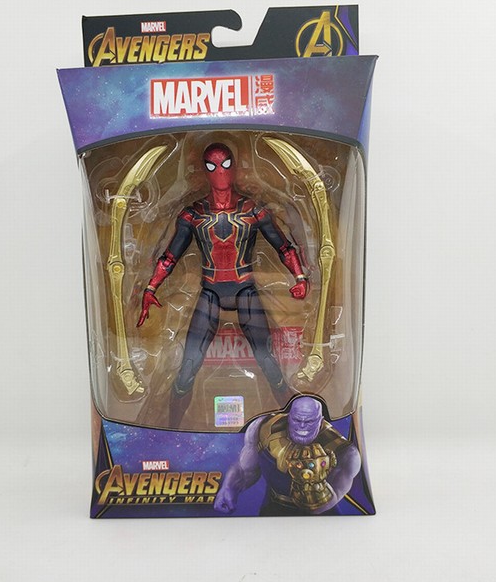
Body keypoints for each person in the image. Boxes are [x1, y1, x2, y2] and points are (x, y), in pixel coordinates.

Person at [137, 143, 309, 428]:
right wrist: (150, 289)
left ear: (235, 167)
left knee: (269, 363)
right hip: (211, 293)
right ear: (204, 170)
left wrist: (300, 278)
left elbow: (284, 247)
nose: (219, 171)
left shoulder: (253, 211)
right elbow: (169, 257)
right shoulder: (194, 214)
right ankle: (171, 429)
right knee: (187, 368)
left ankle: (297, 424)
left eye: (225, 164)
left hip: (245, 290)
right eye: (212, 165)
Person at [214, 396, 361, 515]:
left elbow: (327, 503)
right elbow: (245, 470)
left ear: (321, 420)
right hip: (272, 508)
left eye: (309, 421)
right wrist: (229, 487)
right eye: (297, 420)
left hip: (322, 522)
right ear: (289, 416)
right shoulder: (264, 428)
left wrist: (315, 486)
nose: (302, 426)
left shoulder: (344, 452)